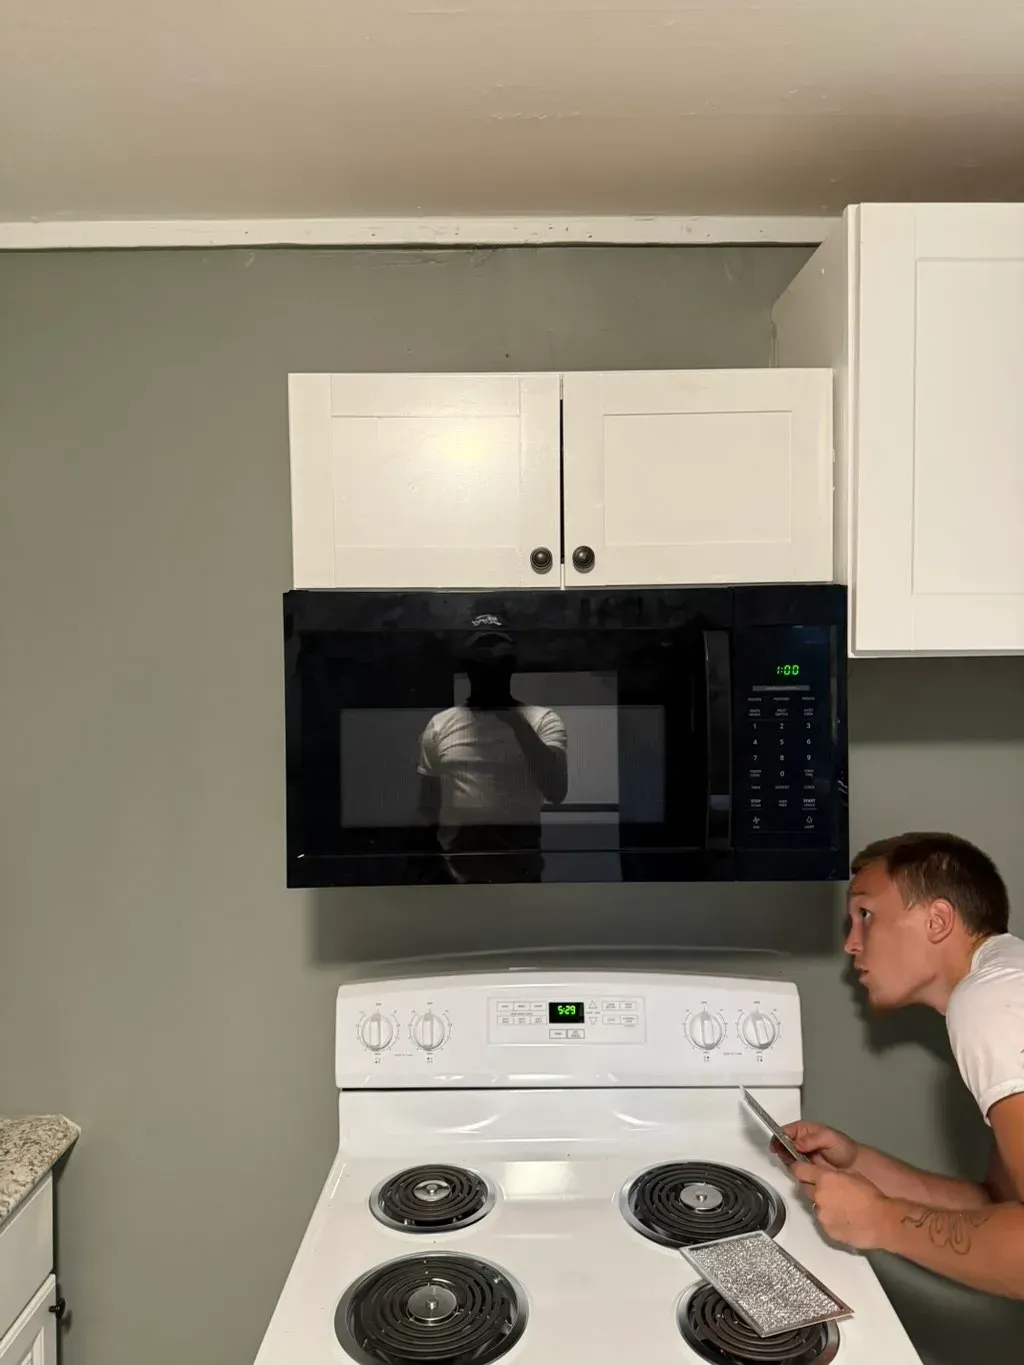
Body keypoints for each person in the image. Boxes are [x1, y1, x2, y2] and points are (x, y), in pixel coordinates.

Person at [778, 832, 1024, 1298]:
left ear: (937, 920)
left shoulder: (991, 1001)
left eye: (866, 915)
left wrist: (879, 1222)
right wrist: (862, 1167)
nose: (851, 944)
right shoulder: (1009, 986)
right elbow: (999, 1205)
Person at [417, 620, 568, 883]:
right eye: (481, 658)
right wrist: (431, 866)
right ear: (467, 667)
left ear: (511, 665)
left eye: (499, 658)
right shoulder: (440, 725)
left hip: (522, 871)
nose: (490, 667)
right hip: (457, 873)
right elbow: (428, 807)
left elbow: (556, 791)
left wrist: (515, 722)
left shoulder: (542, 720)